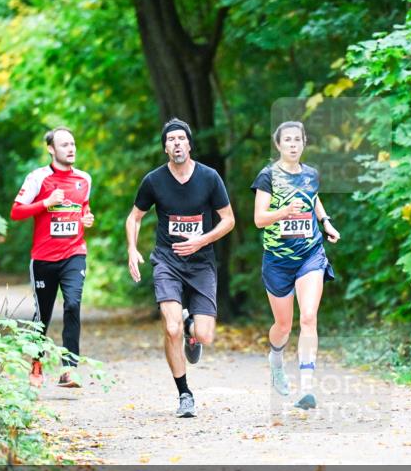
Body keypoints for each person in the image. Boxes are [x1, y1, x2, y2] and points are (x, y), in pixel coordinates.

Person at [126, 118, 235, 418]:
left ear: (189, 144)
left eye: (181, 138)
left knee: (206, 335)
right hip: (168, 261)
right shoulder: (154, 181)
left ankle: (193, 330)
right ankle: (184, 393)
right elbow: (134, 217)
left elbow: (228, 220)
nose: (176, 143)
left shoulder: (210, 178)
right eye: (171, 139)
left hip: (201, 263)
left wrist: (202, 240)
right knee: (170, 327)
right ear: (165, 148)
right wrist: (132, 249)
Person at [251, 121, 340, 410]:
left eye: (297, 140)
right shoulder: (268, 176)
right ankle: (276, 358)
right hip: (277, 260)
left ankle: (307, 387)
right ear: (278, 145)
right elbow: (259, 219)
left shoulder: (311, 174)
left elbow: (314, 200)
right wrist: (284, 212)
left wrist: (326, 223)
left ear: (304, 143)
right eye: (287, 140)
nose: (292, 144)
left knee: (309, 317)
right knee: (283, 324)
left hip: (310, 254)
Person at [10, 126, 94, 388]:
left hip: (74, 253)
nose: (71, 149)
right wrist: (45, 203)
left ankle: (70, 369)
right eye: (64, 145)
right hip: (44, 258)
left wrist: (87, 217)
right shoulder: (38, 178)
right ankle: (36, 365)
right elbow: (16, 212)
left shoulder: (84, 179)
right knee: (42, 315)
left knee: (72, 305)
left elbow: (84, 207)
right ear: (51, 149)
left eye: (73, 144)